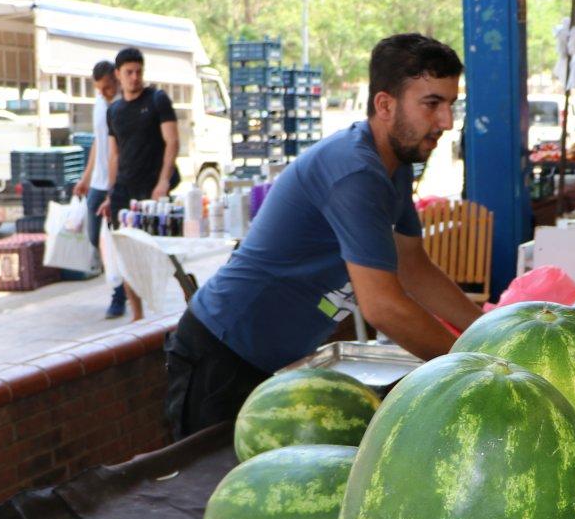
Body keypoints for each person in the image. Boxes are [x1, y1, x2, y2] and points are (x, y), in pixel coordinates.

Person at [164, 33, 482, 440]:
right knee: (206, 494)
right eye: (432, 104)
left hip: (279, 363)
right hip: (222, 354)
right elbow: (383, 306)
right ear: (385, 105)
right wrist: (474, 368)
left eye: (451, 104)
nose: (447, 122)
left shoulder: (396, 164)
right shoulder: (356, 172)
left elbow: (413, 266)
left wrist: (488, 332)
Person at [96, 47, 180, 320]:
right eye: (129, 72)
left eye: (139, 72)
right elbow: (114, 154)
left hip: (153, 191)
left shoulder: (157, 100)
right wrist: (110, 194)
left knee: (165, 254)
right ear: (118, 75)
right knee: (126, 255)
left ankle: (182, 309)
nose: (135, 77)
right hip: (124, 190)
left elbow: (173, 142)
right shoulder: (115, 111)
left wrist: (163, 182)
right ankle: (137, 316)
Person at [72, 60, 120, 315]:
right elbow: (97, 143)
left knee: (114, 240)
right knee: (94, 236)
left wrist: (115, 188)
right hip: (99, 183)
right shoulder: (100, 103)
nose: (103, 93)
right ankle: (119, 284)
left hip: (118, 183)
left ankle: (119, 294)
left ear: (116, 79)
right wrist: (86, 177)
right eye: (99, 89)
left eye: (107, 88)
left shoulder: (124, 104)